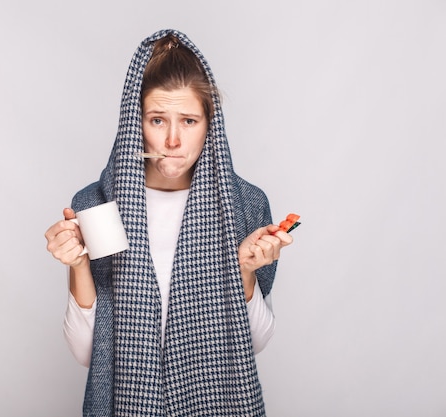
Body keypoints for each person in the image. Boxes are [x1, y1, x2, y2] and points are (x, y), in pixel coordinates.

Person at [44, 29, 293, 416]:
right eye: (158, 120)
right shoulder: (97, 204)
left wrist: (244, 271)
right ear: (135, 123)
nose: (174, 140)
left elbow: (256, 343)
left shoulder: (244, 204)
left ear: (210, 125)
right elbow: (86, 354)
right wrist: (78, 264)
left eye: (189, 120)